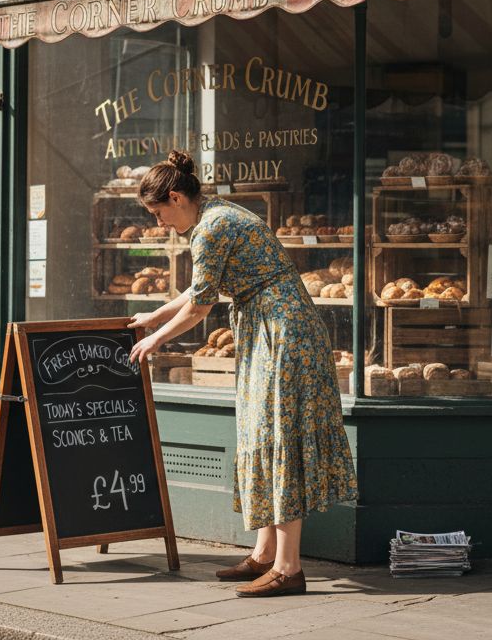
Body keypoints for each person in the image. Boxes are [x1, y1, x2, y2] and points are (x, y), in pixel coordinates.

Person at [127, 150, 357, 598]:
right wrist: (154, 317)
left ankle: (289, 568)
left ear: (176, 197)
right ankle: (265, 554)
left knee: (280, 436)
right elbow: (200, 288)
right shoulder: (214, 215)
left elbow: (200, 306)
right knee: (263, 432)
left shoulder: (211, 227)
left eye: (158, 213)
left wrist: (155, 341)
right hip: (270, 325)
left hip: (281, 331)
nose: (159, 224)